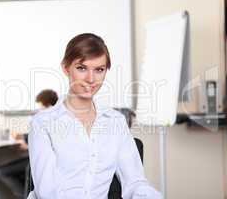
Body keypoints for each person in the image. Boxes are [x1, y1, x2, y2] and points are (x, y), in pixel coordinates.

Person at [27, 33, 162, 199]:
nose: (91, 79)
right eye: (82, 68)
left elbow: (135, 183)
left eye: (99, 70)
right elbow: (47, 193)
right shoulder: (43, 123)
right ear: (65, 68)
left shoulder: (115, 122)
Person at [0, 89, 58, 199]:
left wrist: (28, 147)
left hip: (38, 162)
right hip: (34, 160)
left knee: (2, 171)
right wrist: (22, 137)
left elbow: (51, 147)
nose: (38, 111)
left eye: (41, 108)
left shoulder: (54, 121)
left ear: (49, 106)